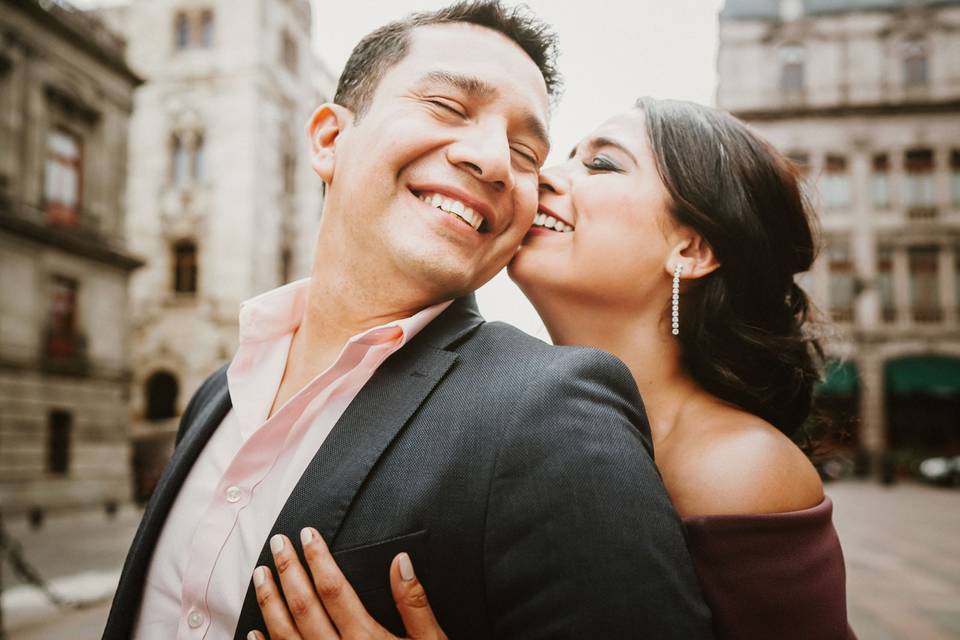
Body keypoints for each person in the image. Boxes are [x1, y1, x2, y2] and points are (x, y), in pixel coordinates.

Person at [102, 3, 713, 639]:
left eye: (526, 151)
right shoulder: (216, 396)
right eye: (449, 108)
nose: (495, 161)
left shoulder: (556, 409)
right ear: (330, 140)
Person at [246, 98, 858, 639]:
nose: (543, 178)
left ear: (691, 249)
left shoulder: (737, 469)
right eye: (558, 156)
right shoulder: (498, 414)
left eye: (601, 163)